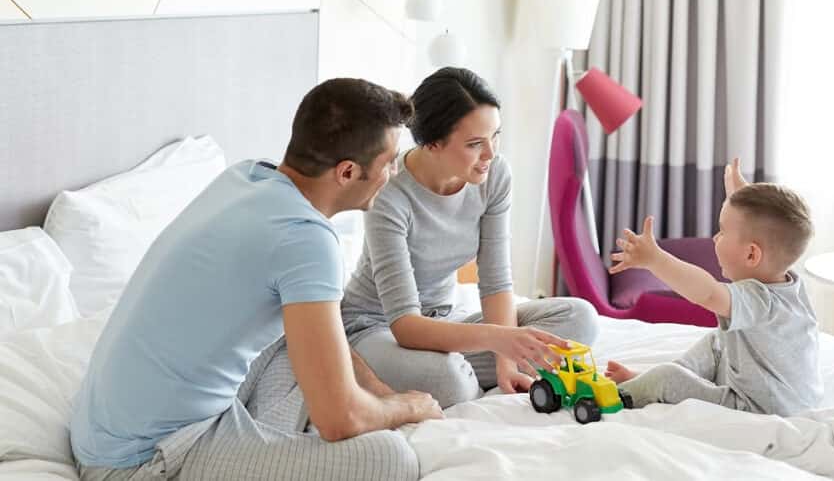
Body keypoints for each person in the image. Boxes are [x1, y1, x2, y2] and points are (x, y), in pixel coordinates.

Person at [70, 79, 442, 481]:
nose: (392, 173)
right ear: (348, 172)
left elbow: (317, 337)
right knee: (390, 457)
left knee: (296, 345)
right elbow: (340, 420)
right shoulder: (306, 238)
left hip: (106, 427)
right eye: (388, 163)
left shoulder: (245, 178)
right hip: (139, 460)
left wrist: (381, 392)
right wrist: (407, 407)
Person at [342, 67, 600, 408]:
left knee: (579, 319)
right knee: (448, 381)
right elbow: (405, 325)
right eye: (475, 143)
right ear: (433, 143)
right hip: (379, 327)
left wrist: (506, 359)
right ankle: (445, 372)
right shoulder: (390, 195)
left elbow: (495, 281)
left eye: (495, 136)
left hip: (445, 321)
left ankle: (461, 369)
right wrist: (499, 339)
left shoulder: (494, 176)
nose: (490, 154)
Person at [604, 159, 822, 417]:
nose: (714, 238)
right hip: (787, 396)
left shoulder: (759, 300)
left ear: (751, 255)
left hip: (756, 408)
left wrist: (656, 259)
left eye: (722, 231)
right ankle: (650, 379)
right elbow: (766, 223)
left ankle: (618, 396)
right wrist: (742, 194)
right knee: (716, 342)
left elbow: (707, 292)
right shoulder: (788, 284)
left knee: (666, 377)